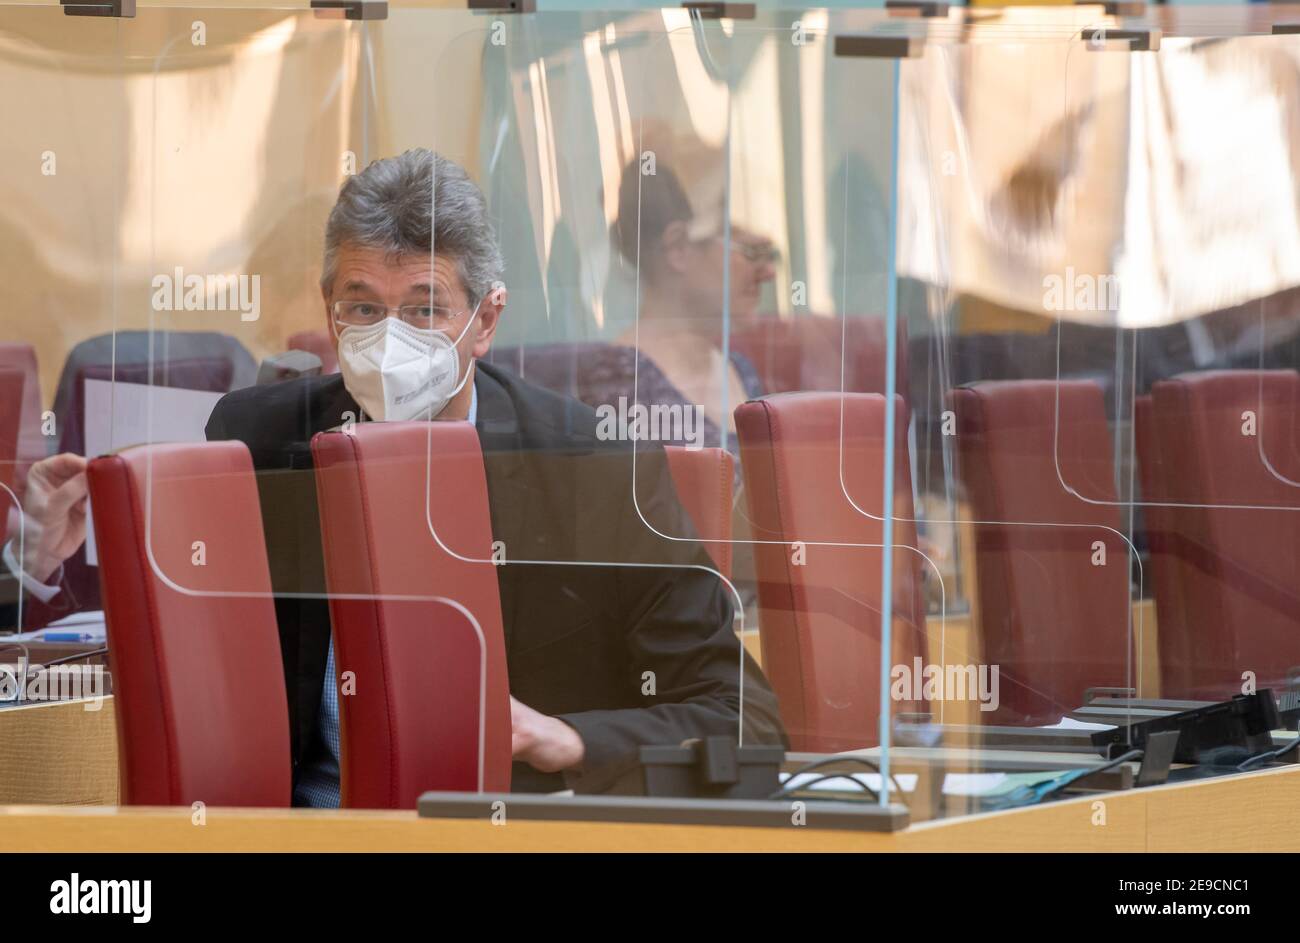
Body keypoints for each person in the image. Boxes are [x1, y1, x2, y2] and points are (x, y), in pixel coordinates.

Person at [4, 148, 786, 803]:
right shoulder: (257, 438)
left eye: (423, 310)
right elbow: (158, 661)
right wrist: (34, 566)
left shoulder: (588, 466)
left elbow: (743, 715)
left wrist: (568, 737)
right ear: (327, 305)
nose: (388, 340)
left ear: (486, 321)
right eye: (363, 307)